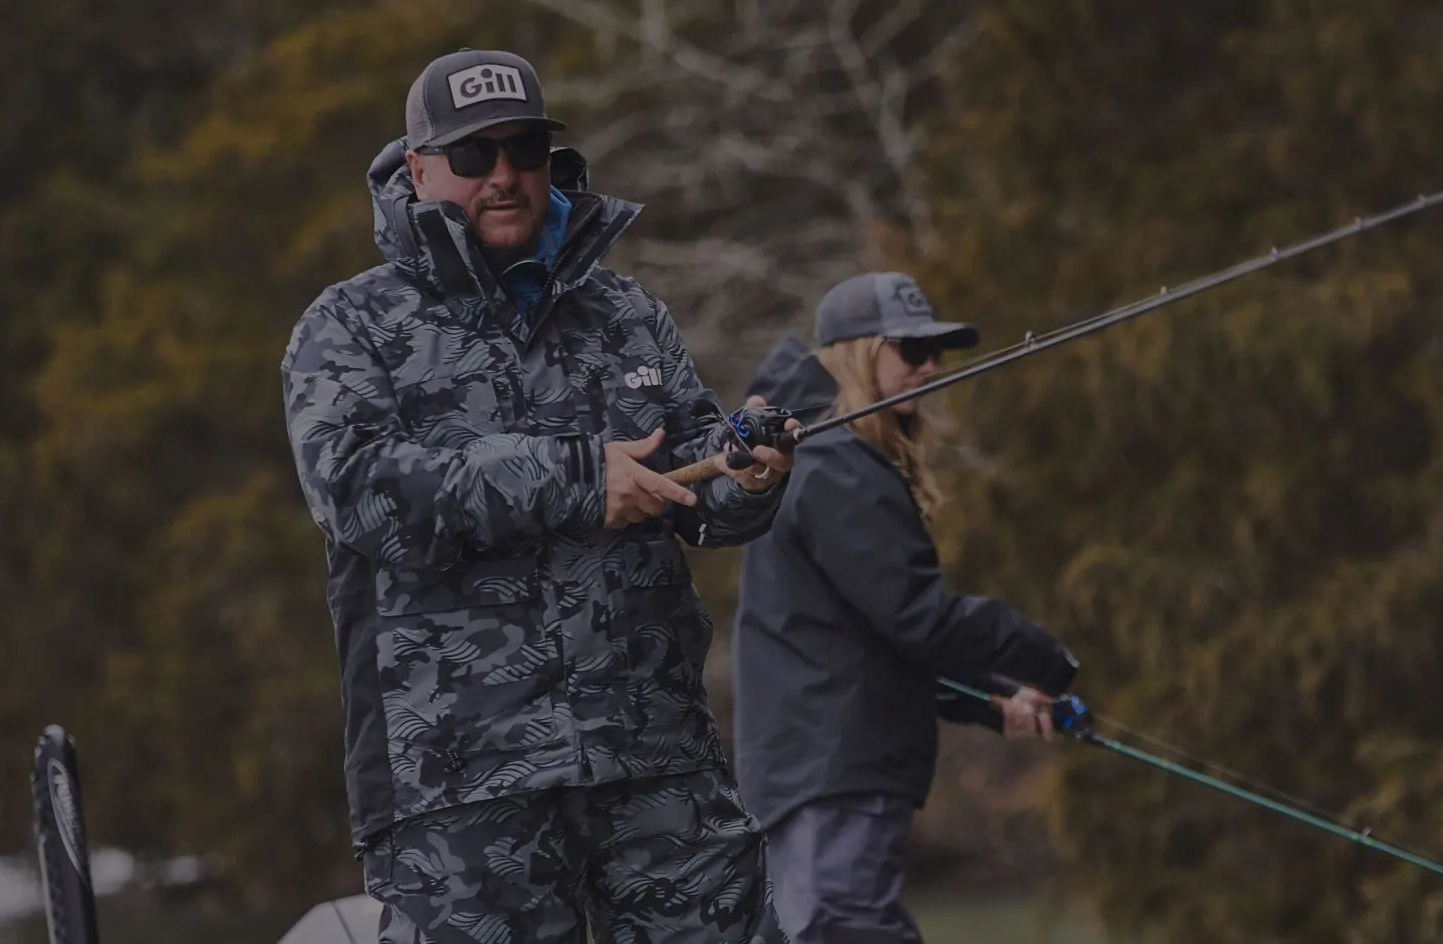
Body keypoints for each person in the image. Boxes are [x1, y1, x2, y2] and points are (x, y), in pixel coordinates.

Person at [281, 48, 798, 944]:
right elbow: (357, 493)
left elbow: (696, 493)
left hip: (654, 757)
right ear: (419, 169)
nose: (506, 175)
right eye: (474, 155)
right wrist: (571, 477)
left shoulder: (628, 314)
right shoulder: (348, 327)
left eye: (524, 149)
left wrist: (744, 474)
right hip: (460, 783)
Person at [732, 272, 1082, 944]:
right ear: (859, 354)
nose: (928, 367)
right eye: (909, 351)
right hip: (831, 774)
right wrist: (1040, 653)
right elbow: (919, 617)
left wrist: (995, 699)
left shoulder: (823, 460)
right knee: (846, 929)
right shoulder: (836, 465)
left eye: (936, 353)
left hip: (822, 771)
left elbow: (878, 639)